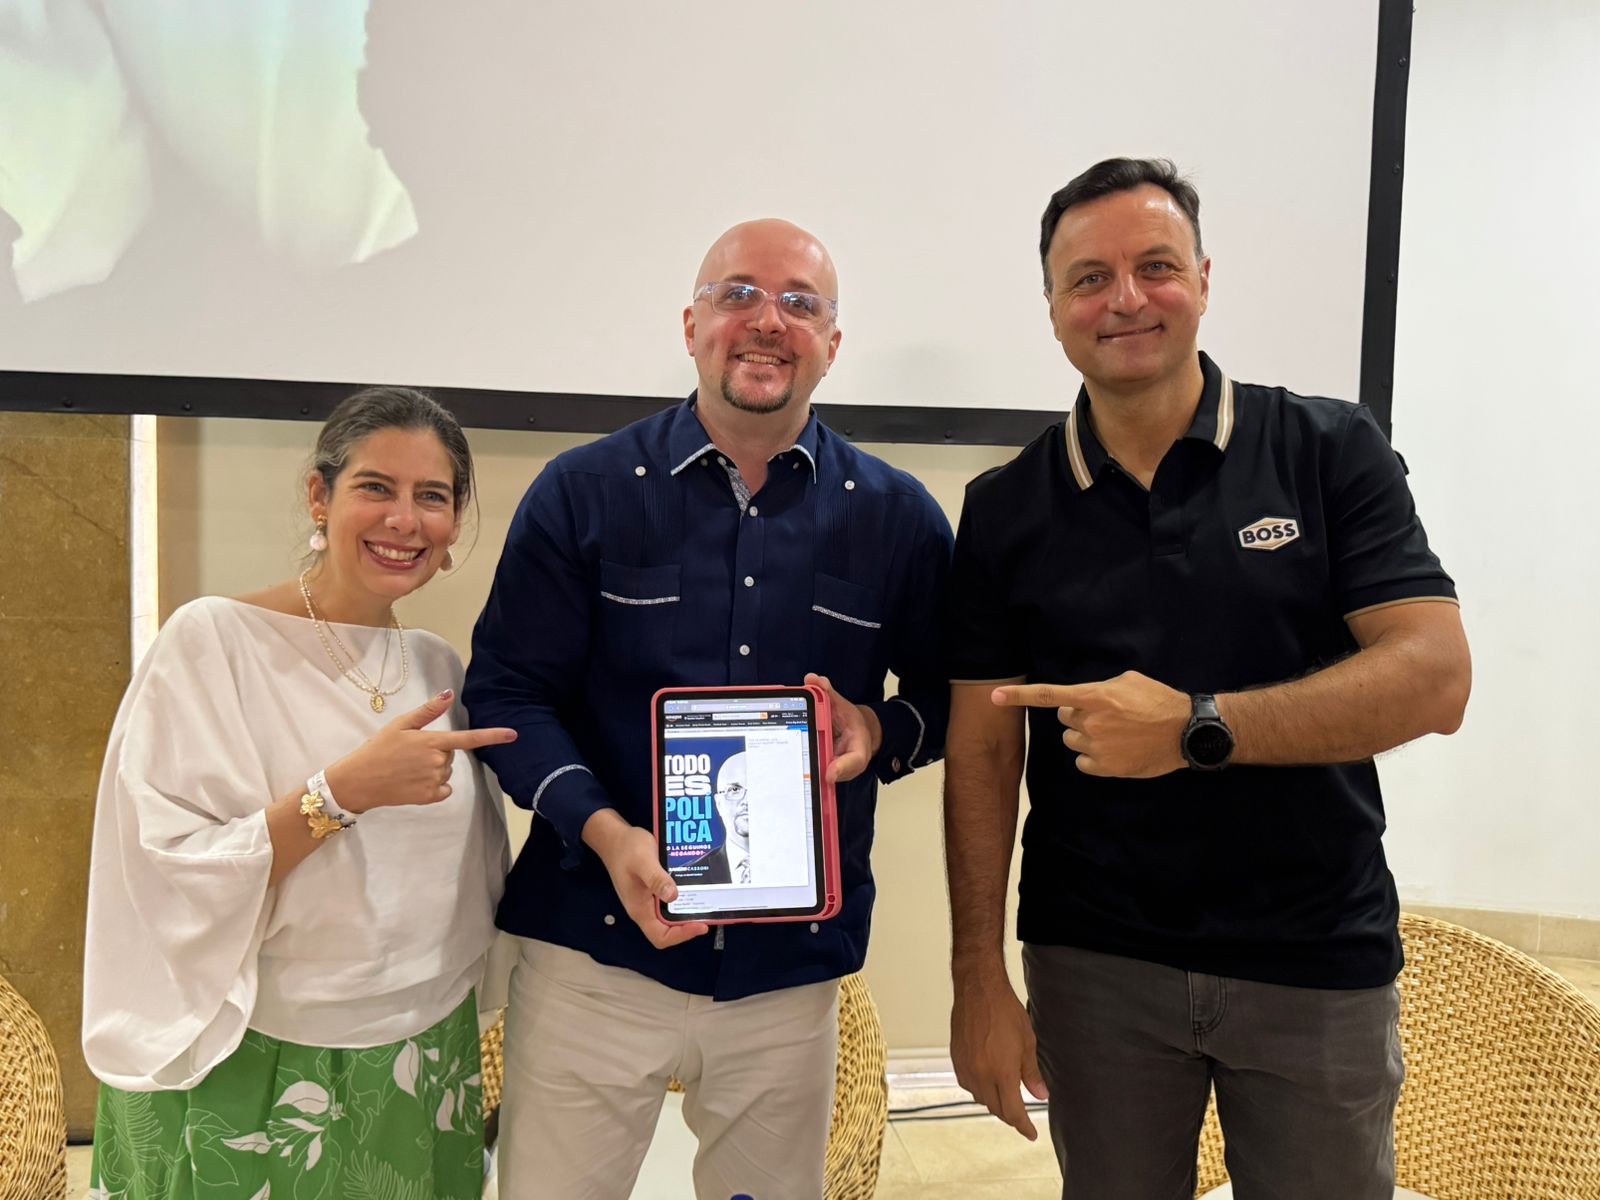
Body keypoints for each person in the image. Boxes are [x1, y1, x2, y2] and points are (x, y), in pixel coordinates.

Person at [943, 158, 1472, 1199]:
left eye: (1155, 267)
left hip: (1313, 959)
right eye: (1087, 279)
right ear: (1051, 308)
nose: (1124, 299)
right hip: (1094, 969)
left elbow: (1433, 677)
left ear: (1204, 278)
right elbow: (982, 748)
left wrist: (1196, 726)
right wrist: (976, 981)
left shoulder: (1327, 450)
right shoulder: (1004, 506)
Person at [464, 218, 953, 1200]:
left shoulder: (896, 516)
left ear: (832, 344)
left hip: (788, 978)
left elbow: (949, 702)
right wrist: (605, 835)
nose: (766, 322)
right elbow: (508, 692)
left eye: (799, 304)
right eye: (737, 295)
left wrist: (878, 730)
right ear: (691, 324)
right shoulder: (583, 493)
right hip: (594, 955)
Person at [83, 387, 515, 1198]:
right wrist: (340, 793)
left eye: (433, 497)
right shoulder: (213, 640)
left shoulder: (439, 666)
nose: (404, 520)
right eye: (375, 487)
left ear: (454, 525)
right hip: (254, 1054)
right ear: (320, 496)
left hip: (420, 1056)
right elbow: (165, 865)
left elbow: (467, 882)